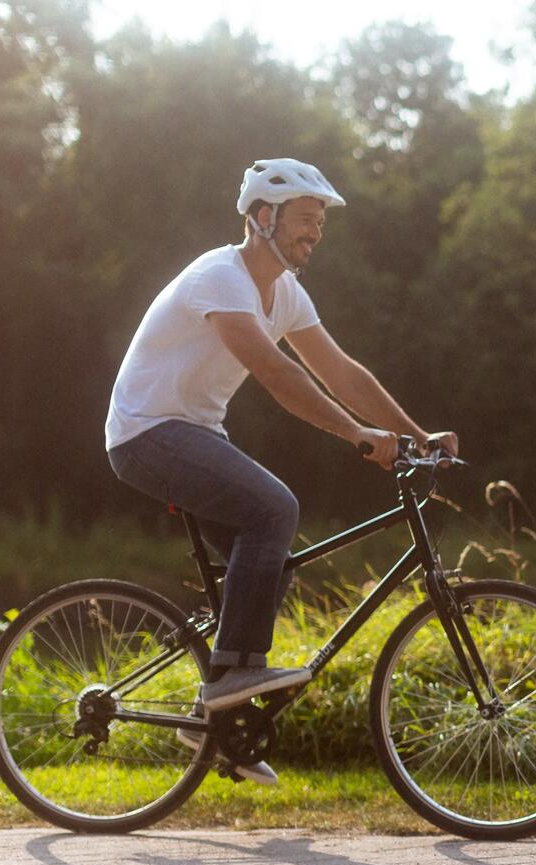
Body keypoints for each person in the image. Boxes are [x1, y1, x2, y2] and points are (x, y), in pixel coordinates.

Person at [104, 158, 457, 784]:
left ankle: (208, 716)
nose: (315, 233)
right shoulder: (220, 277)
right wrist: (355, 434)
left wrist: (415, 435)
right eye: (305, 220)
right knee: (275, 509)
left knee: (270, 566)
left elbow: (341, 370)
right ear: (263, 217)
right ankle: (237, 673)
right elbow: (277, 374)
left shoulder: (284, 291)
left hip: (193, 434)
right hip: (148, 433)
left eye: (319, 223)